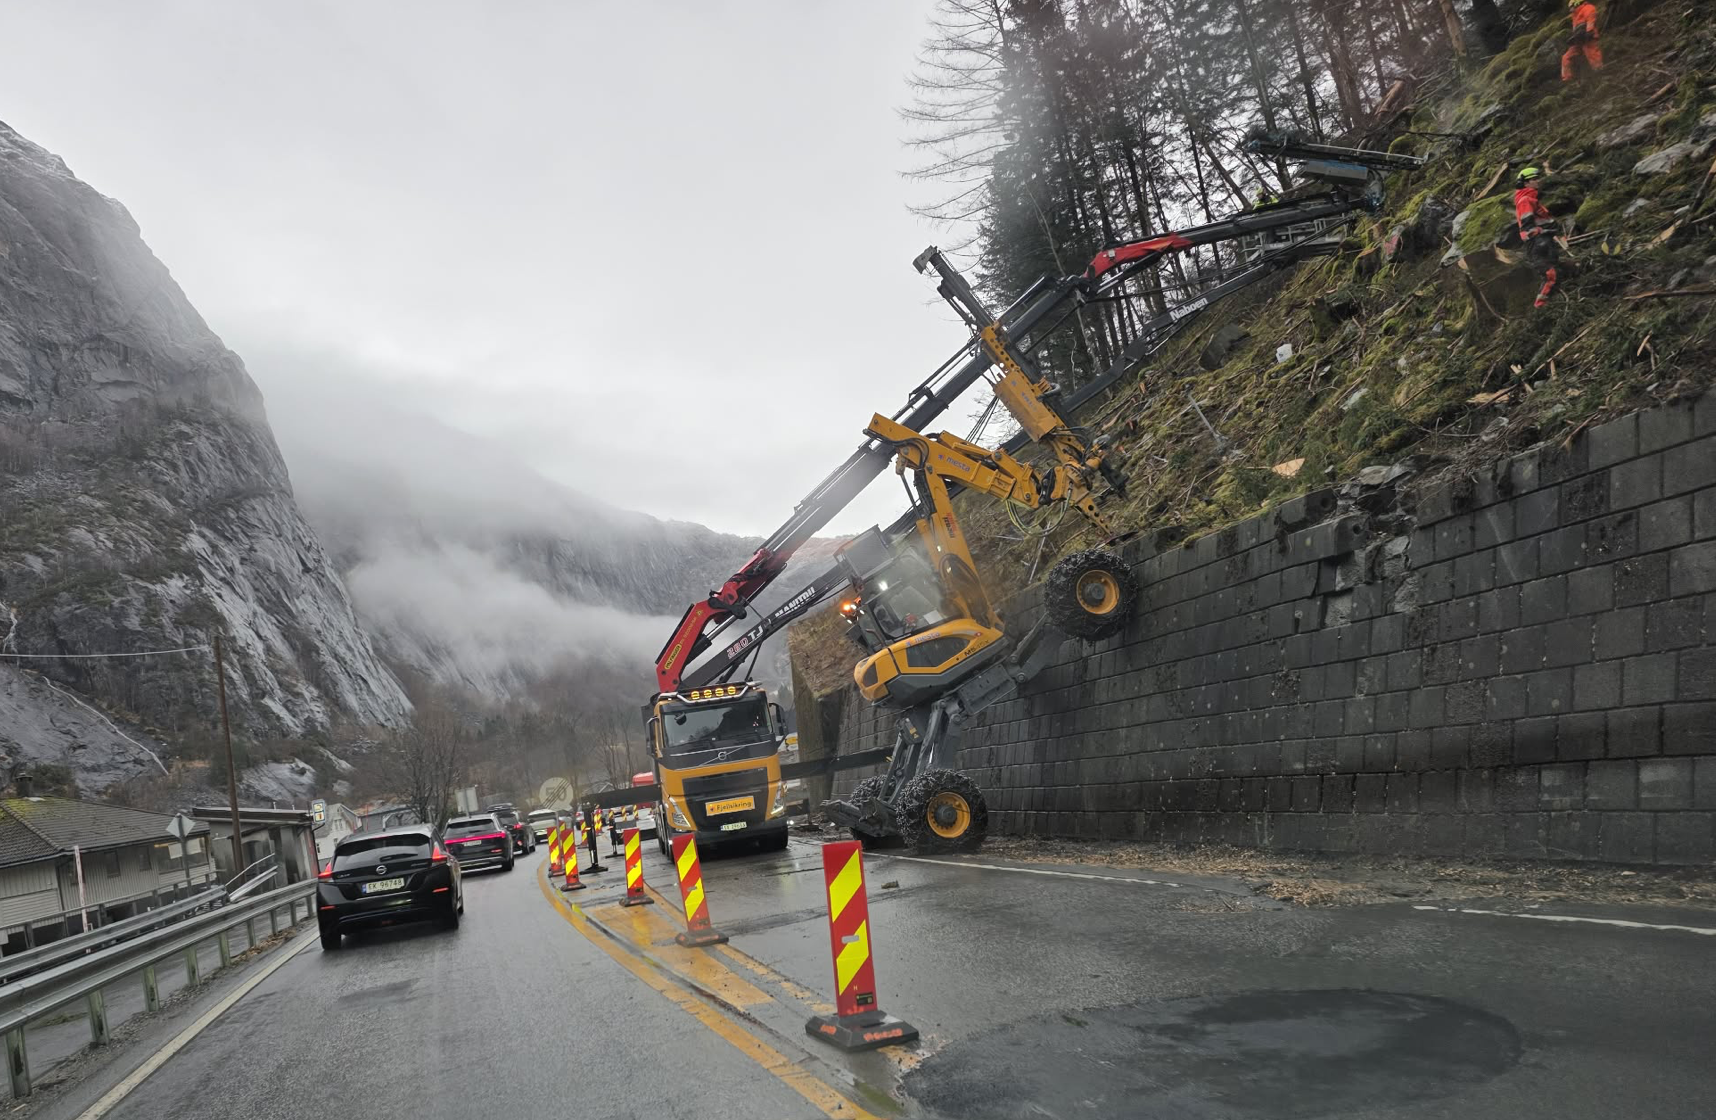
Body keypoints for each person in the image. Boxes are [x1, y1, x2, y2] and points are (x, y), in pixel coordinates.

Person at [1513, 167, 1560, 309]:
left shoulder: (1532, 199)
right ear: (1526, 183)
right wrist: (1541, 233)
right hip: (1538, 242)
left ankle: (1552, 304)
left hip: (1544, 240)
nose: (1538, 181)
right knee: (1549, 276)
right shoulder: (1525, 200)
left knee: (1555, 273)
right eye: (1534, 179)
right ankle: (1540, 306)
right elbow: (1527, 226)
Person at [1562, 0, 1603, 82]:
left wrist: (1589, 31)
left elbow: (1590, 19)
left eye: (1571, 7)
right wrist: (1573, 39)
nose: (1570, 9)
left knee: (1592, 52)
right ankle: (1567, 78)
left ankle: (1599, 71)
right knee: (1566, 57)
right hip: (1579, 40)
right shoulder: (1574, 15)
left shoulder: (1587, 8)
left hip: (1588, 37)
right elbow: (1576, 30)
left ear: (1577, 3)